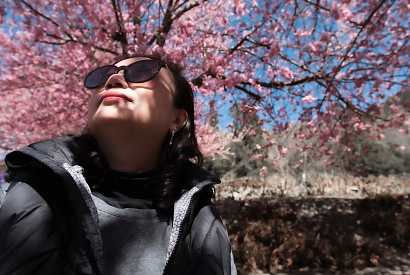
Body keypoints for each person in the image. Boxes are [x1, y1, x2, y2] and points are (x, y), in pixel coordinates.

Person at [0, 54, 237, 275]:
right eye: (104, 75)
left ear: (176, 119)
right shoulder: (23, 192)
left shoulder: (202, 223)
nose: (114, 79)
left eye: (143, 72)